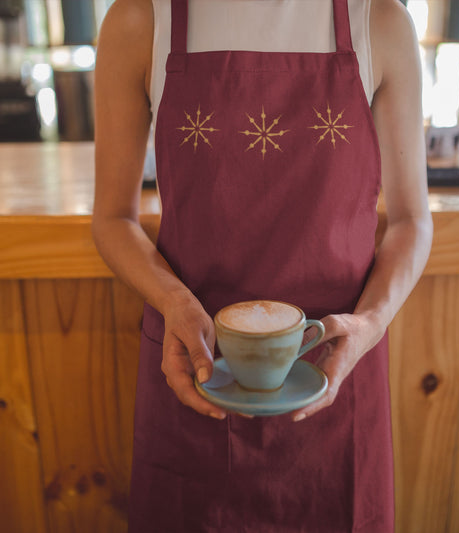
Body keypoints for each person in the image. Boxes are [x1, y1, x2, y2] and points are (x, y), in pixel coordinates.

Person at [92, 0, 433, 531]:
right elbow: (113, 218)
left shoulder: (379, 20)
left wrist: (369, 324)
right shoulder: (140, 20)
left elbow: (412, 221)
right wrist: (173, 302)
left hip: (335, 380)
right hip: (193, 370)